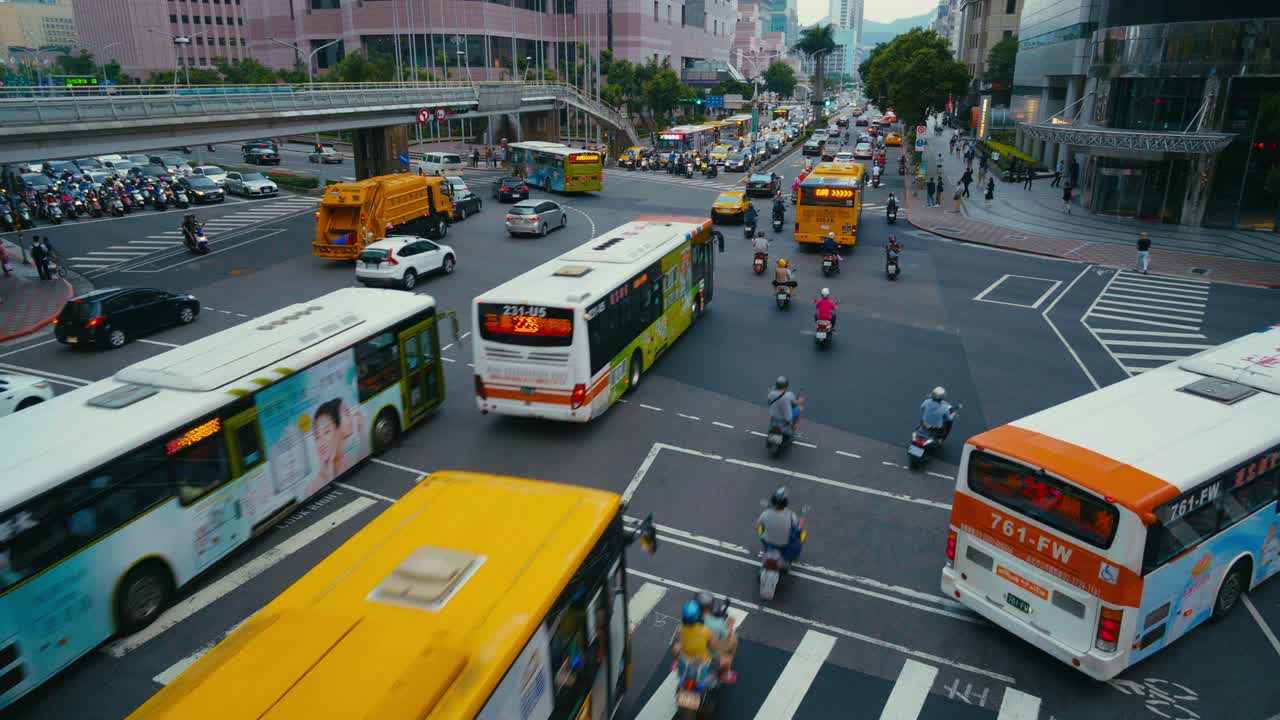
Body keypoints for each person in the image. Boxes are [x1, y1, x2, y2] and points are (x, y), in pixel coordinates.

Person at [757, 486, 804, 564]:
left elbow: (759, 524)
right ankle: (793, 556)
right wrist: (802, 520)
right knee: (802, 535)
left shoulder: (765, 513)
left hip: (767, 541)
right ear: (785, 503)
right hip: (784, 544)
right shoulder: (791, 515)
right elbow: (799, 528)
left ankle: (767, 549)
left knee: (761, 527)